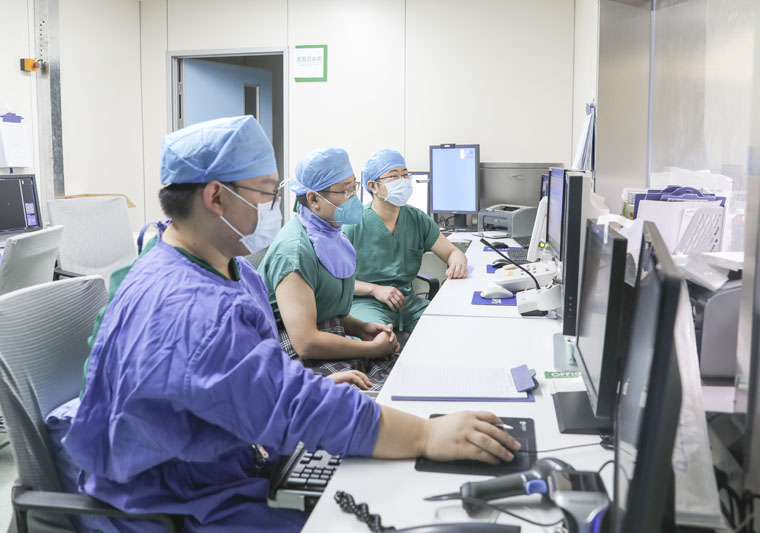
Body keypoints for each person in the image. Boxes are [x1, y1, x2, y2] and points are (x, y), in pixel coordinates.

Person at [62, 116, 521, 532]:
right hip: (174, 501)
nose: (273, 206)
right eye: (265, 193)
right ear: (216, 197)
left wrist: (301, 383)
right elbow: (289, 403)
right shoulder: (189, 307)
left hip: (219, 461)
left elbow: (244, 380)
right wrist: (427, 434)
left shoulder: (222, 266)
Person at [259, 148, 400, 388]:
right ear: (313, 199)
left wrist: (360, 327)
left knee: (402, 372)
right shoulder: (294, 252)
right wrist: (371, 349)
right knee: (381, 390)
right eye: (346, 190)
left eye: (354, 186)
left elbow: (326, 309)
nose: (354, 197)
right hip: (294, 355)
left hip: (329, 339)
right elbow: (306, 342)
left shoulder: (333, 235)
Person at [343, 149, 468, 335]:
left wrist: (458, 262)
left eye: (405, 174)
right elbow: (334, 282)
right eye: (394, 176)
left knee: (450, 330)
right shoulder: (353, 224)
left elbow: (452, 252)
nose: (403, 181)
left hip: (408, 303)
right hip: (367, 303)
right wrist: (374, 290)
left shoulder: (416, 218)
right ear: (373, 186)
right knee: (378, 339)